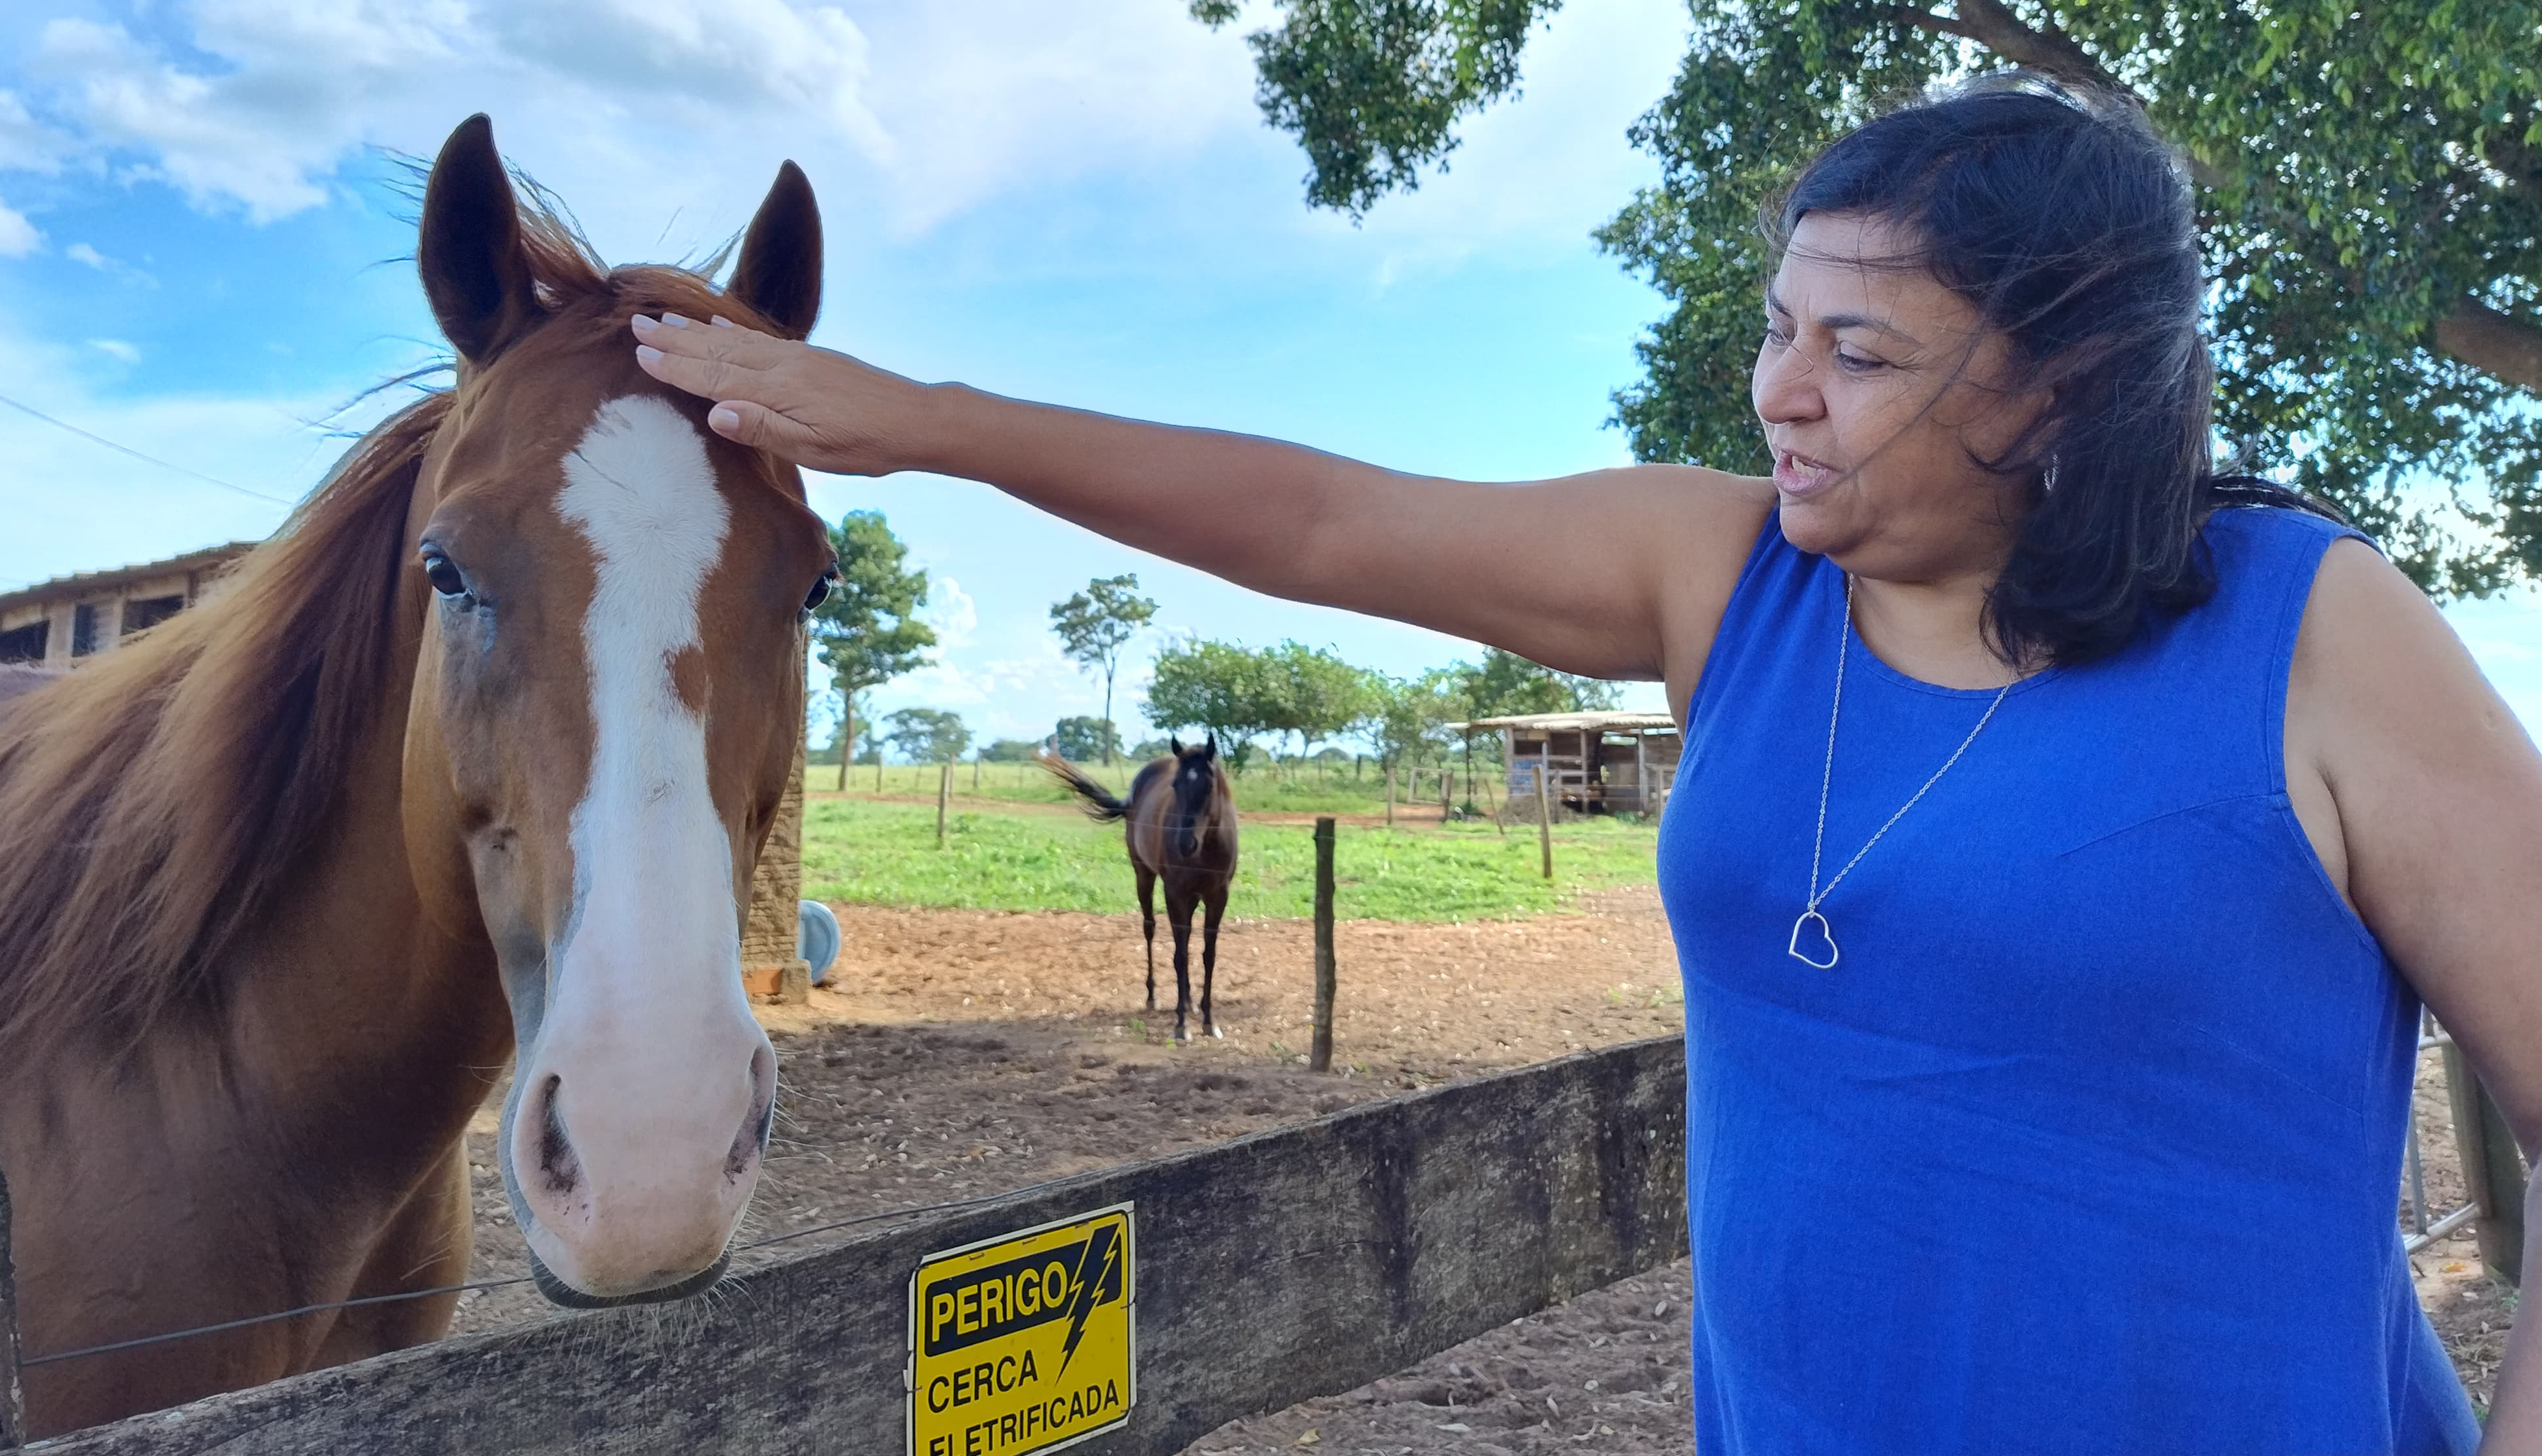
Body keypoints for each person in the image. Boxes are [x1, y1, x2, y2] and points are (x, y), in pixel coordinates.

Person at [631, 79, 2542, 1453]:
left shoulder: (2314, 634)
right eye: (1777, 325)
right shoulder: (1725, 580)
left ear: (2064, 385)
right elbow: (1320, 519)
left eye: (1860, 351)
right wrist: (938, 425)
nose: (1779, 389)